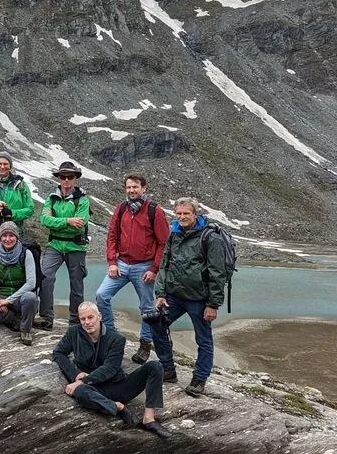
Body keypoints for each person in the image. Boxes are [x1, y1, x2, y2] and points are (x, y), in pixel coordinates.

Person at [52, 302, 171, 438]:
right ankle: (117, 407)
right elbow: (58, 353)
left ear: (99, 316)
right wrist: (76, 374)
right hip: (94, 389)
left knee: (155, 366)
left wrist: (83, 380)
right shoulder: (74, 332)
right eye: (83, 319)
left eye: (90, 317)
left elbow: (110, 368)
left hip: (118, 386)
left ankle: (149, 419)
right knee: (80, 393)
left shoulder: (116, 338)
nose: (87, 322)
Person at [151, 197, 231, 397]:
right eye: (178, 214)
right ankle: (168, 369)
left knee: (203, 339)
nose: (182, 217)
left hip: (199, 299)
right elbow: (165, 264)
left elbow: (217, 273)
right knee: (156, 324)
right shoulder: (174, 234)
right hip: (174, 296)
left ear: (195, 214)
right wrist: (160, 293)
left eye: (186, 213)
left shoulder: (210, 237)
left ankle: (199, 378)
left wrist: (213, 304)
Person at [97, 173, 170, 364]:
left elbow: (163, 243)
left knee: (147, 307)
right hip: (121, 264)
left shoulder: (154, 210)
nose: (131, 190)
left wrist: (154, 269)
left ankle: (145, 345)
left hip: (144, 266)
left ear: (143, 188)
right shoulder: (121, 209)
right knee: (102, 295)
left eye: (135, 187)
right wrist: (112, 262)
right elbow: (112, 236)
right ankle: (110, 335)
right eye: (128, 187)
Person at [37, 161, 91, 330]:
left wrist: (56, 222)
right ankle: (46, 317)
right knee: (46, 277)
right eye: (63, 177)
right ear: (58, 179)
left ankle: (75, 322)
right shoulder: (51, 199)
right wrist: (68, 220)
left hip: (76, 246)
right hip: (54, 244)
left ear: (75, 178)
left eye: (70, 177)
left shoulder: (82, 200)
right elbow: (44, 220)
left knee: (76, 285)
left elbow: (81, 223)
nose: (66, 180)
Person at [0, 221, 38, 345]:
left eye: (11, 236)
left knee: (31, 298)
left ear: (16, 237)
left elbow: (31, 283)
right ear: (0, 238)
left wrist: (8, 301)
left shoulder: (26, 254)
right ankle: (11, 317)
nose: (8, 239)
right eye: (4, 236)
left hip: (19, 297)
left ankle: (25, 330)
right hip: (0, 295)